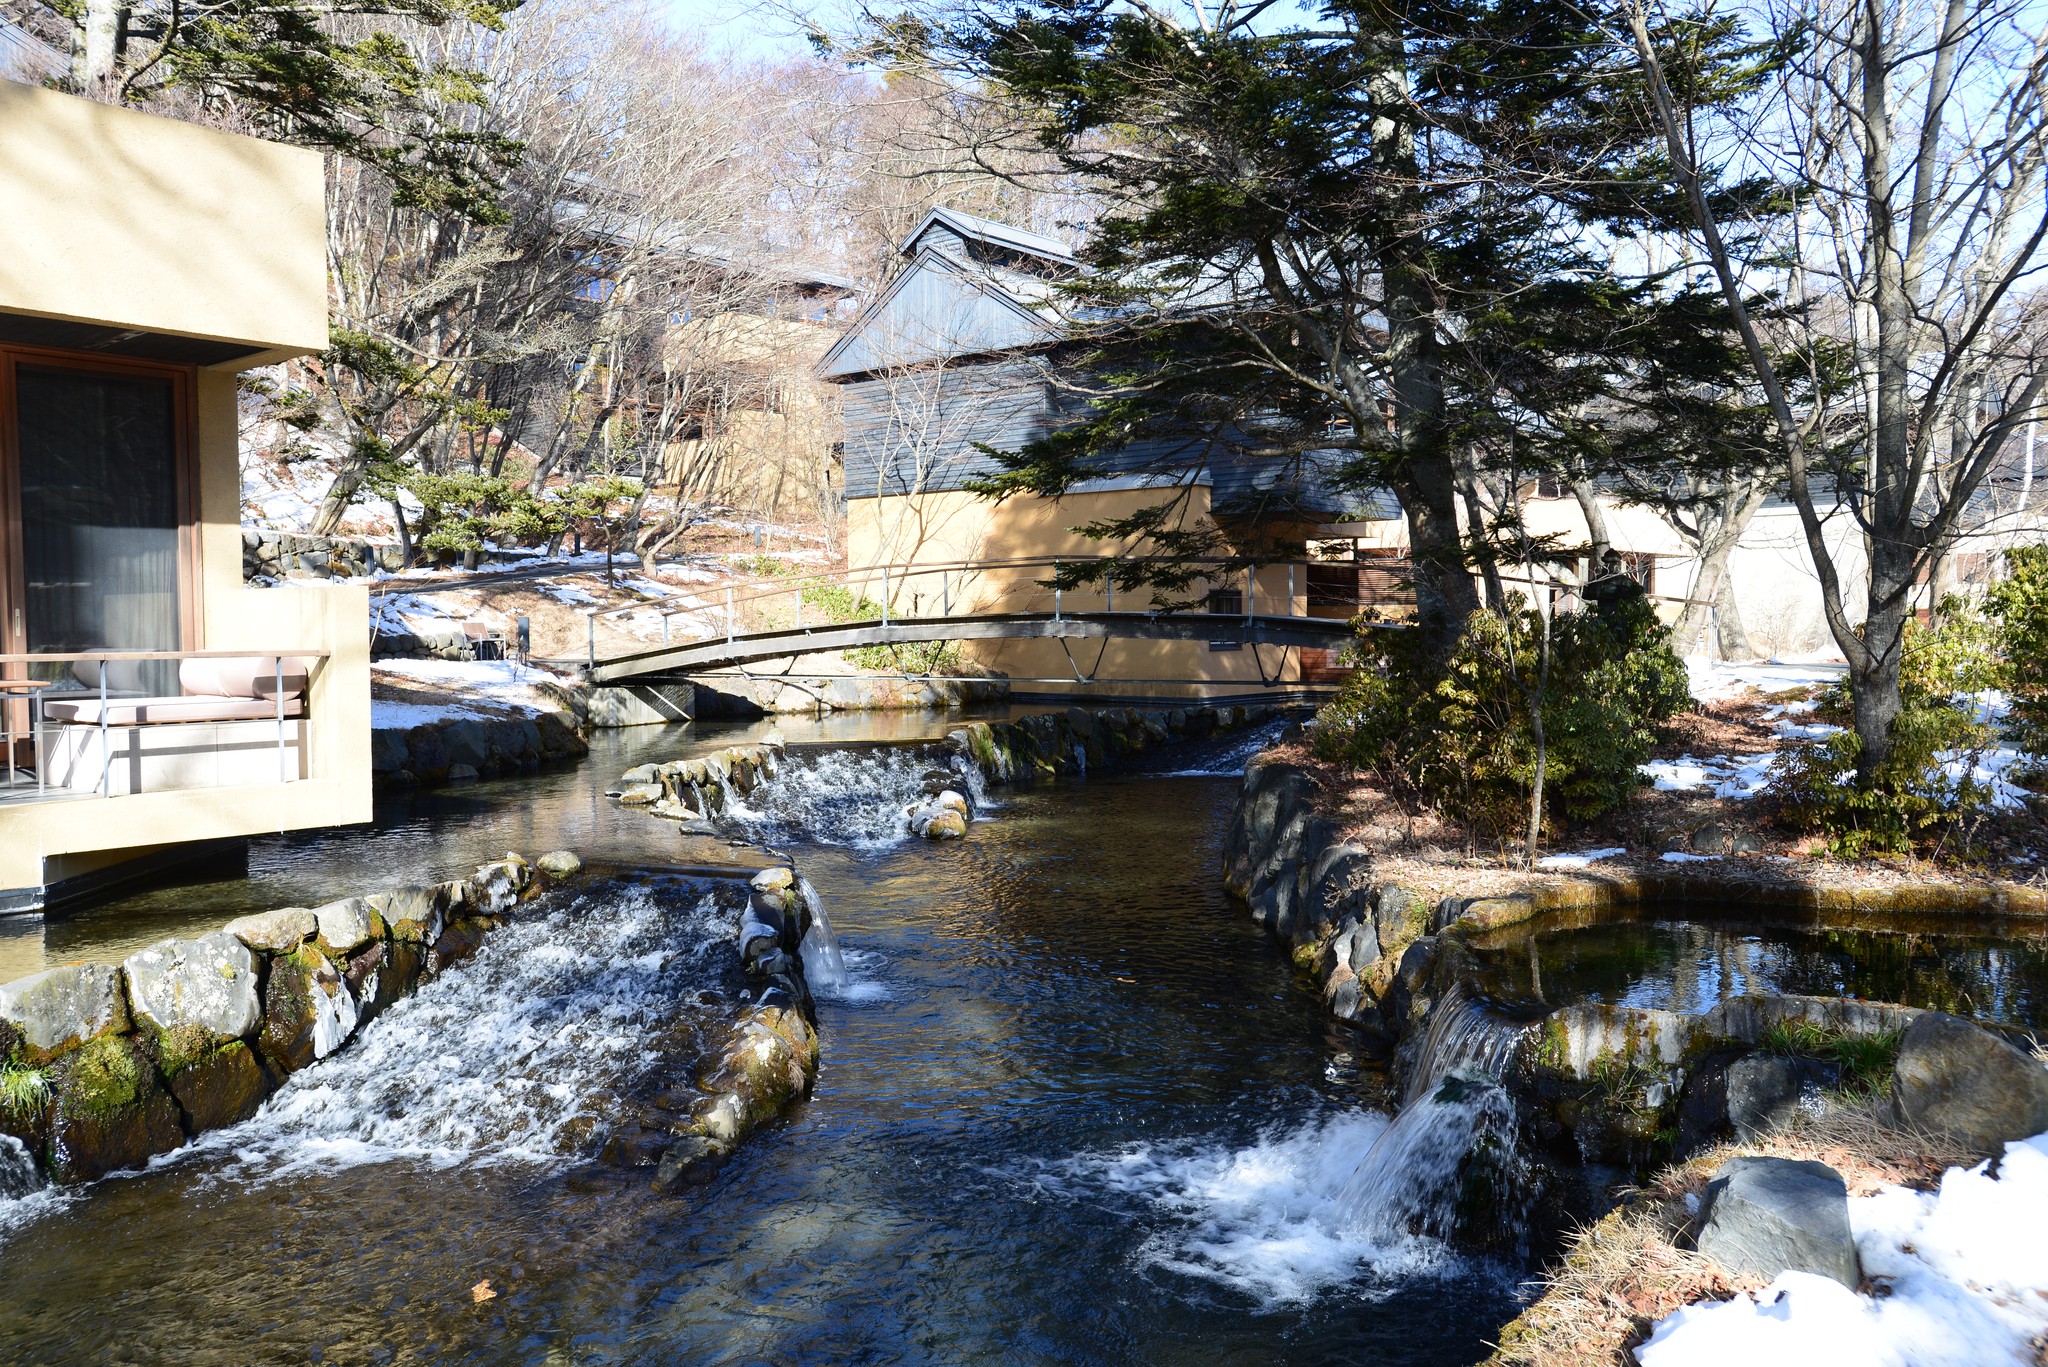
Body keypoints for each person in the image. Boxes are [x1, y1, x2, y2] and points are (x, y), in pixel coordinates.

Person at [1584, 548, 1647, 616]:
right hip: (1606, 617)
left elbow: (1637, 593)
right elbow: (1587, 594)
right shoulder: (1600, 580)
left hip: (1615, 617)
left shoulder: (1621, 581)